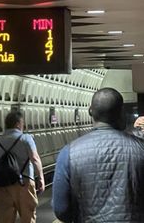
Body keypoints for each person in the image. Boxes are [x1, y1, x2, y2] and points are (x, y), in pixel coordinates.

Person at [52, 87, 144, 223]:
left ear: (91, 112)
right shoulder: (140, 148)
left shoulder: (69, 153)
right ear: (122, 113)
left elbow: (61, 209)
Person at [0, 111, 45, 223]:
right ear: (17, 124)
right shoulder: (25, 138)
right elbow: (35, 159)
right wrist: (40, 178)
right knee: (28, 218)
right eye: (22, 123)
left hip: (2, 185)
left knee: (4, 219)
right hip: (24, 184)